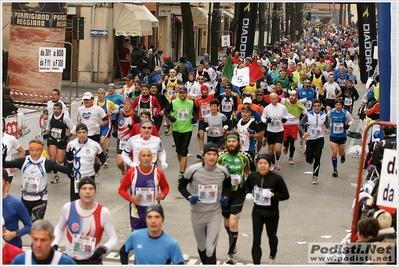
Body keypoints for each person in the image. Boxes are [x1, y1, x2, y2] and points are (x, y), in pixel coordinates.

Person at [178, 142, 231, 264]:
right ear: (204, 155)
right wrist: (189, 197)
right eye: (209, 154)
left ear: (218, 156)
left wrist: (225, 197)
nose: (212, 157)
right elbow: (181, 187)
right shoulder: (193, 170)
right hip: (197, 213)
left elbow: (228, 186)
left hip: (214, 213)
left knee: (210, 249)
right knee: (202, 247)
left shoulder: (223, 171)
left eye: (214, 154)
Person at [3, 139, 71, 222]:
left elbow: (67, 170)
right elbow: (4, 165)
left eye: (37, 150)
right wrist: (3, 157)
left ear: (42, 150)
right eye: (31, 150)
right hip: (25, 199)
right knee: (28, 226)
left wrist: (69, 159)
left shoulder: (47, 163)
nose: (34, 153)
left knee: (36, 227)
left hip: (40, 200)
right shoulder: (23, 161)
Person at [52, 178, 118, 264]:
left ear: (95, 192)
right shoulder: (68, 208)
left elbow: (113, 238)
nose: (87, 192)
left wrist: (103, 249)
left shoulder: (103, 212)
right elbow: (60, 228)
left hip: (92, 260)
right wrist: (55, 244)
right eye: (84, 188)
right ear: (79, 192)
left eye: (91, 188)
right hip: (70, 260)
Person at [245, 154, 290, 264]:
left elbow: (285, 195)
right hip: (257, 212)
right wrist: (247, 194)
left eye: (265, 163)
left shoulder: (277, 179)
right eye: (260, 163)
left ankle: (272, 255)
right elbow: (247, 186)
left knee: (272, 237)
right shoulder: (252, 177)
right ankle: (256, 264)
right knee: (256, 240)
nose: (262, 166)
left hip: (272, 213)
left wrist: (273, 195)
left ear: (269, 165)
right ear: (257, 165)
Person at [217, 132, 251, 264]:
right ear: (226, 143)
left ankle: (230, 253)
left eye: (234, 141)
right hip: (224, 194)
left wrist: (249, 189)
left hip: (239, 193)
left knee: (233, 222)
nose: (231, 144)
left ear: (238, 143)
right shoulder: (221, 157)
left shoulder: (244, 157)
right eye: (229, 142)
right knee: (227, 222)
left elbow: (250, 172)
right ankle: (233, 241)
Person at [119, 148, 169, 231]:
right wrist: (130, 198)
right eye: (143, 155)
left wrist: (162, 195)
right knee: (137, 242)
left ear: (152, 158)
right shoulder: (131, 173)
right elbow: (121, 189)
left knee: (153, 241)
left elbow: (165, 187)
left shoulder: (158, 173)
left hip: (153, 214)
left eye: (148, 155)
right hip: (136, 214)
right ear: (139, 158)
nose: (146, 158)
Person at [119, 203, 184, 264]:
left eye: (157, 217)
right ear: (146, 220)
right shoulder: (135, 236)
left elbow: (179, 263)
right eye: (149, 217)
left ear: (162, 219)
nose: (153, 221)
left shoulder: (171, 244)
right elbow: (123, 252)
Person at [65, 123, 107, 201]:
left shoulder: (94, 145)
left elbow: (103, 158)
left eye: (84, 132)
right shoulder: (71, 144)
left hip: (89, 176)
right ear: (76, 133)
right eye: (79, 132)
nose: (82, 135)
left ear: (87, 133)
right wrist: (68, 169)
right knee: (75, 202)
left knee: (87, 201)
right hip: (75, 177)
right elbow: (67, 158)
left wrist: (99, 164)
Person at [164, 87, 198, 178]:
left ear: (186, 94)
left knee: (184, 151)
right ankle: (182, 165)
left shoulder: (190, 103)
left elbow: (197, 110)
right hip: (177, 129)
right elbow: (166, 110)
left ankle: (181, 173)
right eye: (181, 93)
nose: (182, 94)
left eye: (184, 93)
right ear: (178, 93)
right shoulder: (174, 102)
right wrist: (170, 117)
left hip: (187, 129)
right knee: (179, 151)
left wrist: (195, 118)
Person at [12, 219, 76, 264]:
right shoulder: (19, 261)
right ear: (31, 237)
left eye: (43, 240)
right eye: (35, 239)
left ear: (52, 239)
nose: (38, 244)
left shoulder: (66, 263)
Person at [299, 99, 330, 184]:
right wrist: (304, 133)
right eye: (315, 106)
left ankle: (315, 176)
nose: (317, 108)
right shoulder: (308, 115)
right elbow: (300, 125)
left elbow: (328, 126)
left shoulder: (324, 115)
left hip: (320, 139)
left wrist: (328, 130)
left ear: (321, 106)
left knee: (318, 158)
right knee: (309, 159)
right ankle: (310, 159)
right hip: (310, 139)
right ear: (312, 107)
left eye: (318, 106)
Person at [43, 102, 76, 184]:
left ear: (61, 110)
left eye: (58, 109)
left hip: (61, 140)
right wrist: (46, 134)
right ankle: (56, 176)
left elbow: (73, 128)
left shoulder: (65, 118)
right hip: (52, 139)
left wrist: (67, 137)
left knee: (60, 161)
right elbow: (48, 127)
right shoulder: (51, 117)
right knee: (52, 158)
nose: (56, 111)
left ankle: (66, 159)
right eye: (54, 109)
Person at [2, 169, 32, 248]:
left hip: (12, 248)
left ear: (7, 184)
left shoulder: (15, 203)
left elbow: (29, 225)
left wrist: (14, 234)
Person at [327, 97, 354, 177]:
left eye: (339, 105)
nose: (338, 106)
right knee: (334, 152)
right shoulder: (330, 112)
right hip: (333, 136)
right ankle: (335, 169)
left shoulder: (345, 113)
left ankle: (343, 155)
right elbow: (326, 121)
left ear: (342, 106)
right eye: (337, 105)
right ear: (334, 105)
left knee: (340, 152)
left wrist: (347, 125)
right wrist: (327, 128)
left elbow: (352, 120)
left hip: (342, 136)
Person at [261, 93, 289, 171]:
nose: (274, 100)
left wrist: (285, 119)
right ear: (270, 100)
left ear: (278, 99)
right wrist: (267, 121)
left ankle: (277, 160)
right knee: (270, 150)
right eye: (273, 99)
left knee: (278, 149)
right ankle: (273, 163)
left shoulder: (283, 107)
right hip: (270, 131)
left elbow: (287, 116)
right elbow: (262, 118)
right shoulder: (267, 108)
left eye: (275, 98)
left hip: (279, 130)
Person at [96, 88, 119, 166]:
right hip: (97, 125)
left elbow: (117, 109)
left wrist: (112, 112)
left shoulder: (108, 103)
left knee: (102, 141)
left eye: (101, 93)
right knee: (99, 142)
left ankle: (104, 156)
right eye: (98, 93)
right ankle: (103, 155)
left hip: (106, 125)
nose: (100, 95)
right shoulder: (94, 102)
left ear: (104, 95)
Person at [281, 91, 306, 165]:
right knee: (285, 142)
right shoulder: (285, 101)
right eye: (290, 95)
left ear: (296, 96)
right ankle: (286, 147)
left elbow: (305, 113)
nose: (292, 97)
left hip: (294, 125)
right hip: (285, 125)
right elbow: (278, 101)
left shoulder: (299, 104)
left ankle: (291, 157)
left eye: (293, 95)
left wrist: (305, 121)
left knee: (292, 142)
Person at [115, 99, 136, 178]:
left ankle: (127, 179)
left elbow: (138, 128)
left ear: (131, 106)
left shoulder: (135, 116)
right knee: (119, 163)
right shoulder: (119, 114)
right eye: (125, 104)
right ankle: (123, 172)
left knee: (129, 164)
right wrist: (115, 131)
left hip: (130, 142)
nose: (126, 106)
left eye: (128, 104)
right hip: (121, 141)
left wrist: (132, 128)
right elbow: (116, 124)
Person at [2, 121, 25, 192]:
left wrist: (15, 164)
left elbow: (22, 151)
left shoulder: (10, 139)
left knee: (3, 194)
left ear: (2, 126)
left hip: (7, 171)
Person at [195, 84, 215, 159]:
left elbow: (217, 93)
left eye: (206, 90)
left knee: (210, 135)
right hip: (202, 120)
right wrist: (195, 117)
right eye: (204, 90)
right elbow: (196, 109)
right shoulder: (197, 100)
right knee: (201, 136)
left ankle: (210, 151)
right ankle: (202, 152)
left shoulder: (211, 97)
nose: (205, 91)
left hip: (210, 119)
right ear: (201, 91)